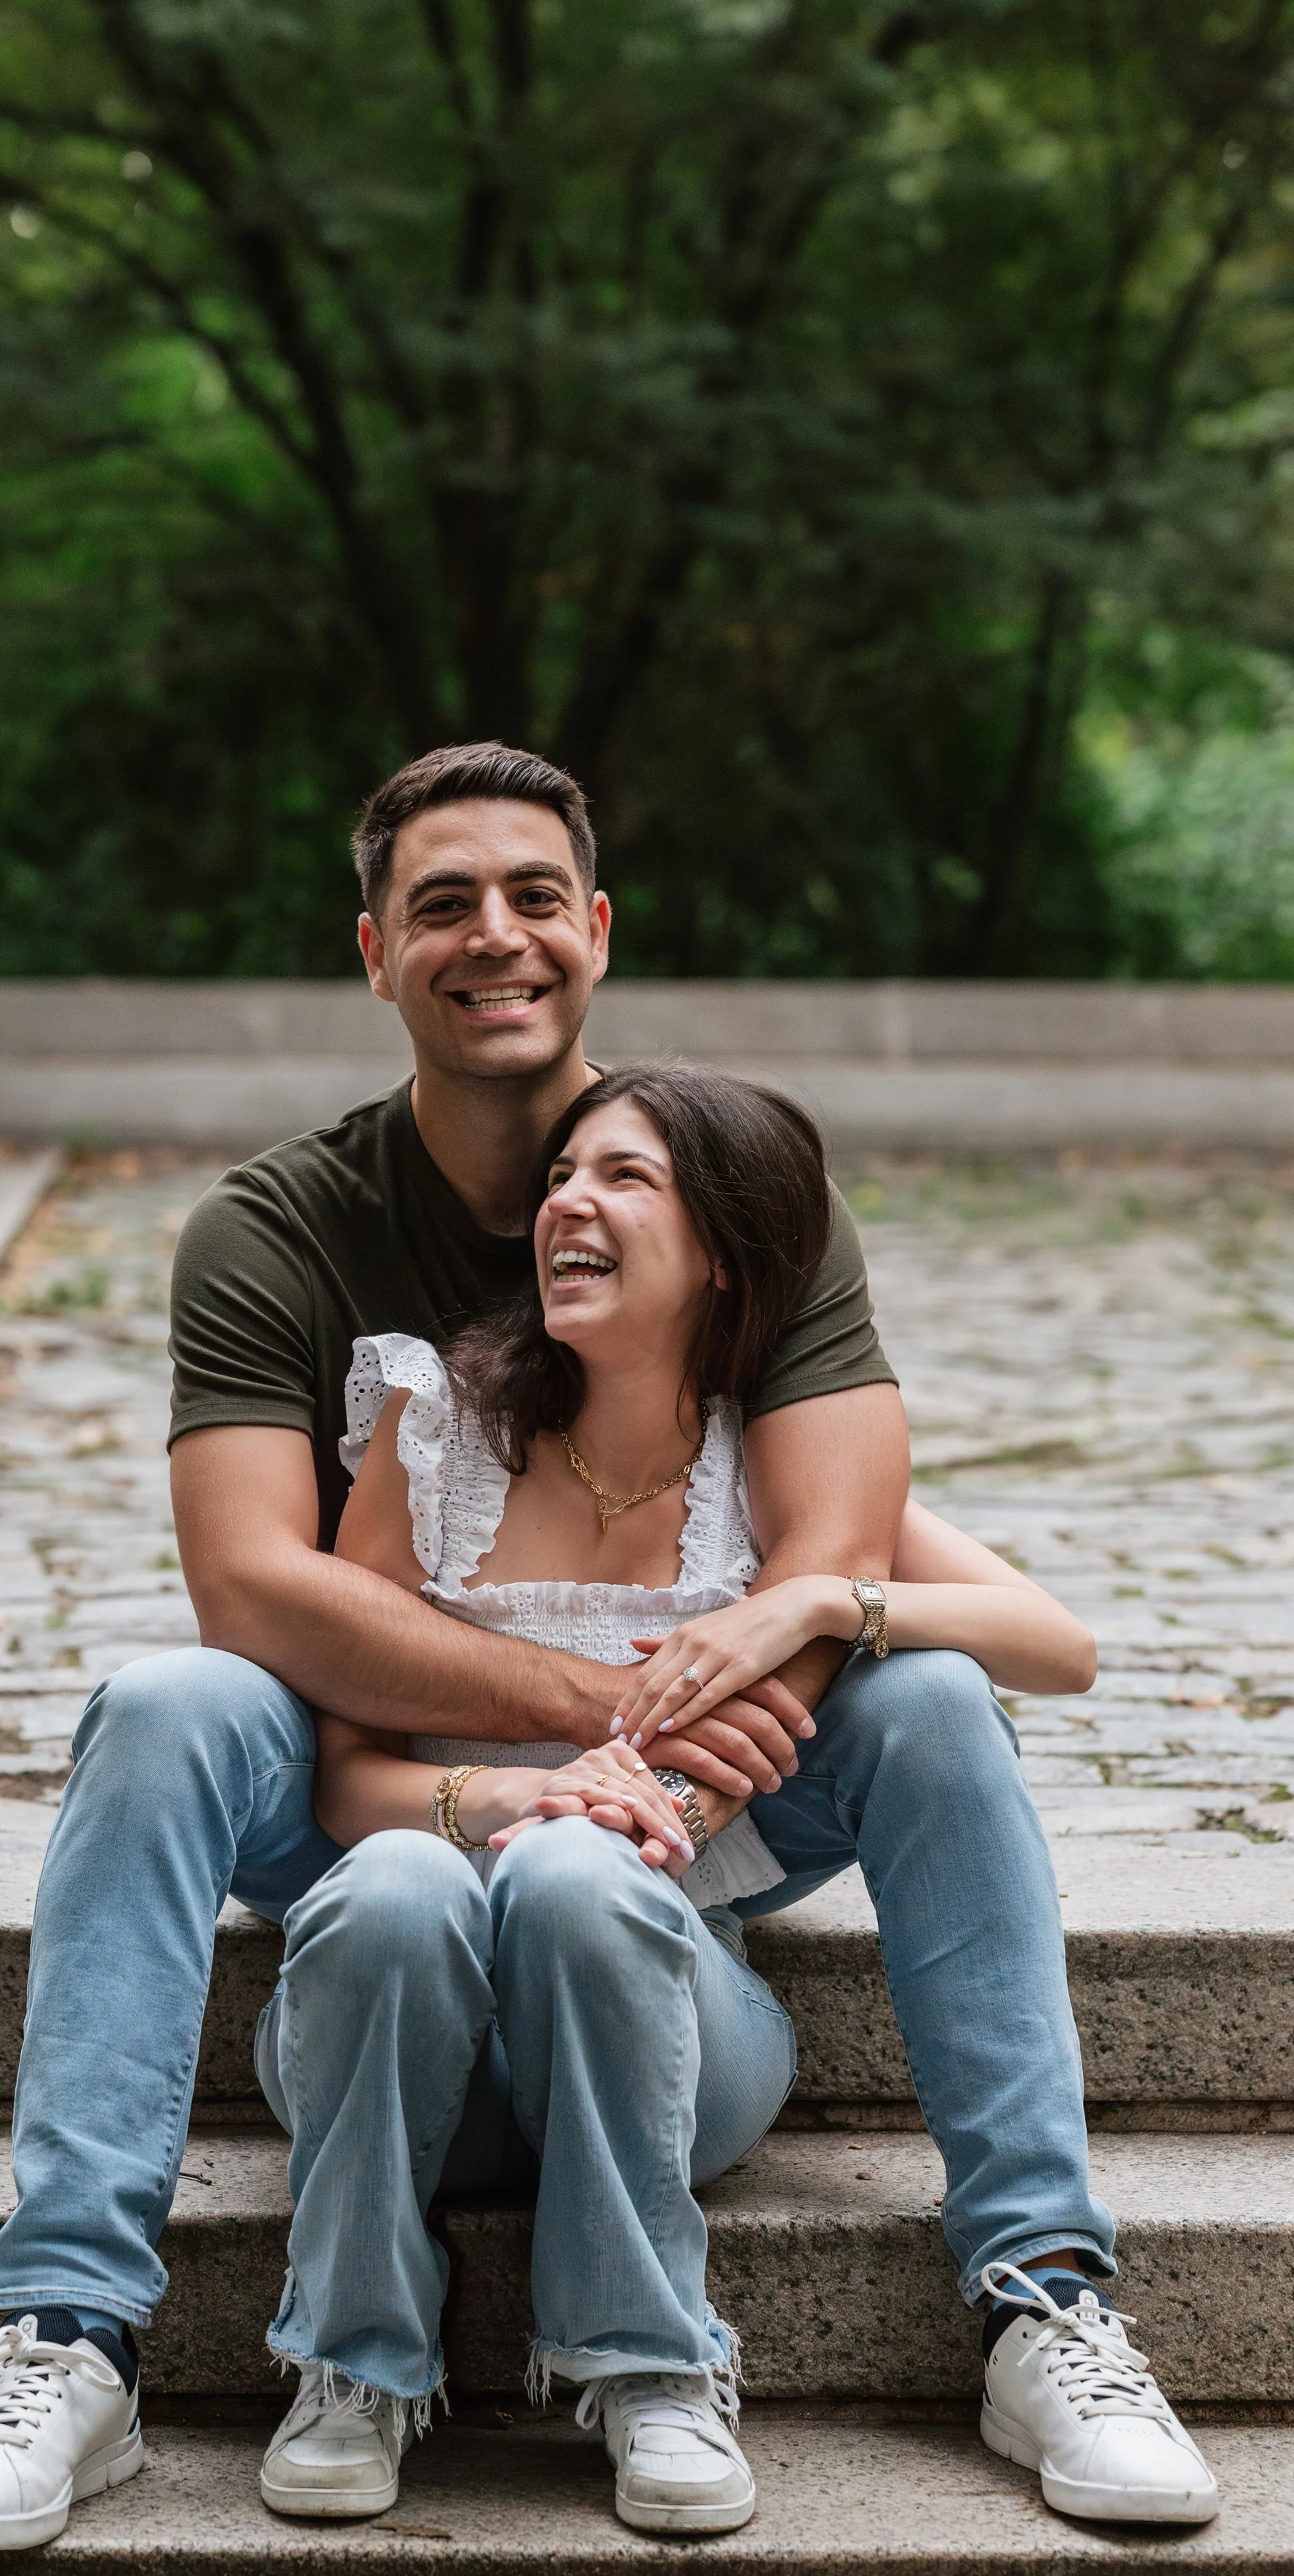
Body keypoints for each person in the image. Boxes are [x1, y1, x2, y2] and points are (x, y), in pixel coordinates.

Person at [0, 746, 1215, 2552]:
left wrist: (699, 1726)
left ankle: (1040, 2298)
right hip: (391, 1823)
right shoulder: (283, 1235)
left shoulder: (743, 1187)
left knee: (931, 1700)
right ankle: (68, 2329)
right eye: (440, 903)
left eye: (530, 897)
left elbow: (829, 1553)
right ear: (373, 951)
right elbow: (256, 1597)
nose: (490, 937)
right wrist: (607, 1727)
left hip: (671, 1865)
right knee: (164, 1705)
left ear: (593, 932)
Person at [253, 1063, 1215, 2534]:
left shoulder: (769, 1469)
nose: (567, 1198)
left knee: (925, 1703)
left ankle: (1037, 2306)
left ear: (722, 1246)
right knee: (399, 1882)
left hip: (664, 2037)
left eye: (624, 1178)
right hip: (402, 2019)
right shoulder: (429, 1426)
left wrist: (818, 1600)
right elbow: (343, 1765)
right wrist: (514, 1796)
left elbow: (1057, 1646)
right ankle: (354, 2361)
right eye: (563, 1174)